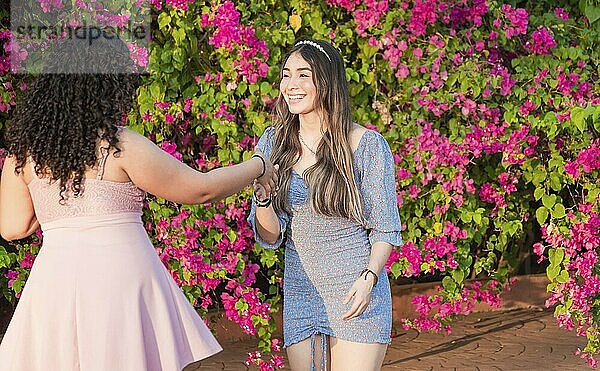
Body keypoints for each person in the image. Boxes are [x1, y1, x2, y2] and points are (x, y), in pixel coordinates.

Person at [0, 27, 277, 370]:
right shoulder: (120, 146)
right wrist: (259, 165)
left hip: (54, 282)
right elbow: (199, 188)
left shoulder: (24, 155)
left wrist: (60, 202)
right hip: (120, 279)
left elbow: (13, 227)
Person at [249, 39, 403, 371]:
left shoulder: (365, 145)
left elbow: (384, 228)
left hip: (355, 291)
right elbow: (272, 236)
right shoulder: (272, 143)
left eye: (304, 75)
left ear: (327, 81)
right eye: (287, 74)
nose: (292, 85)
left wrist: (369, 277)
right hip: (301, 292)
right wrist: (262, 198)